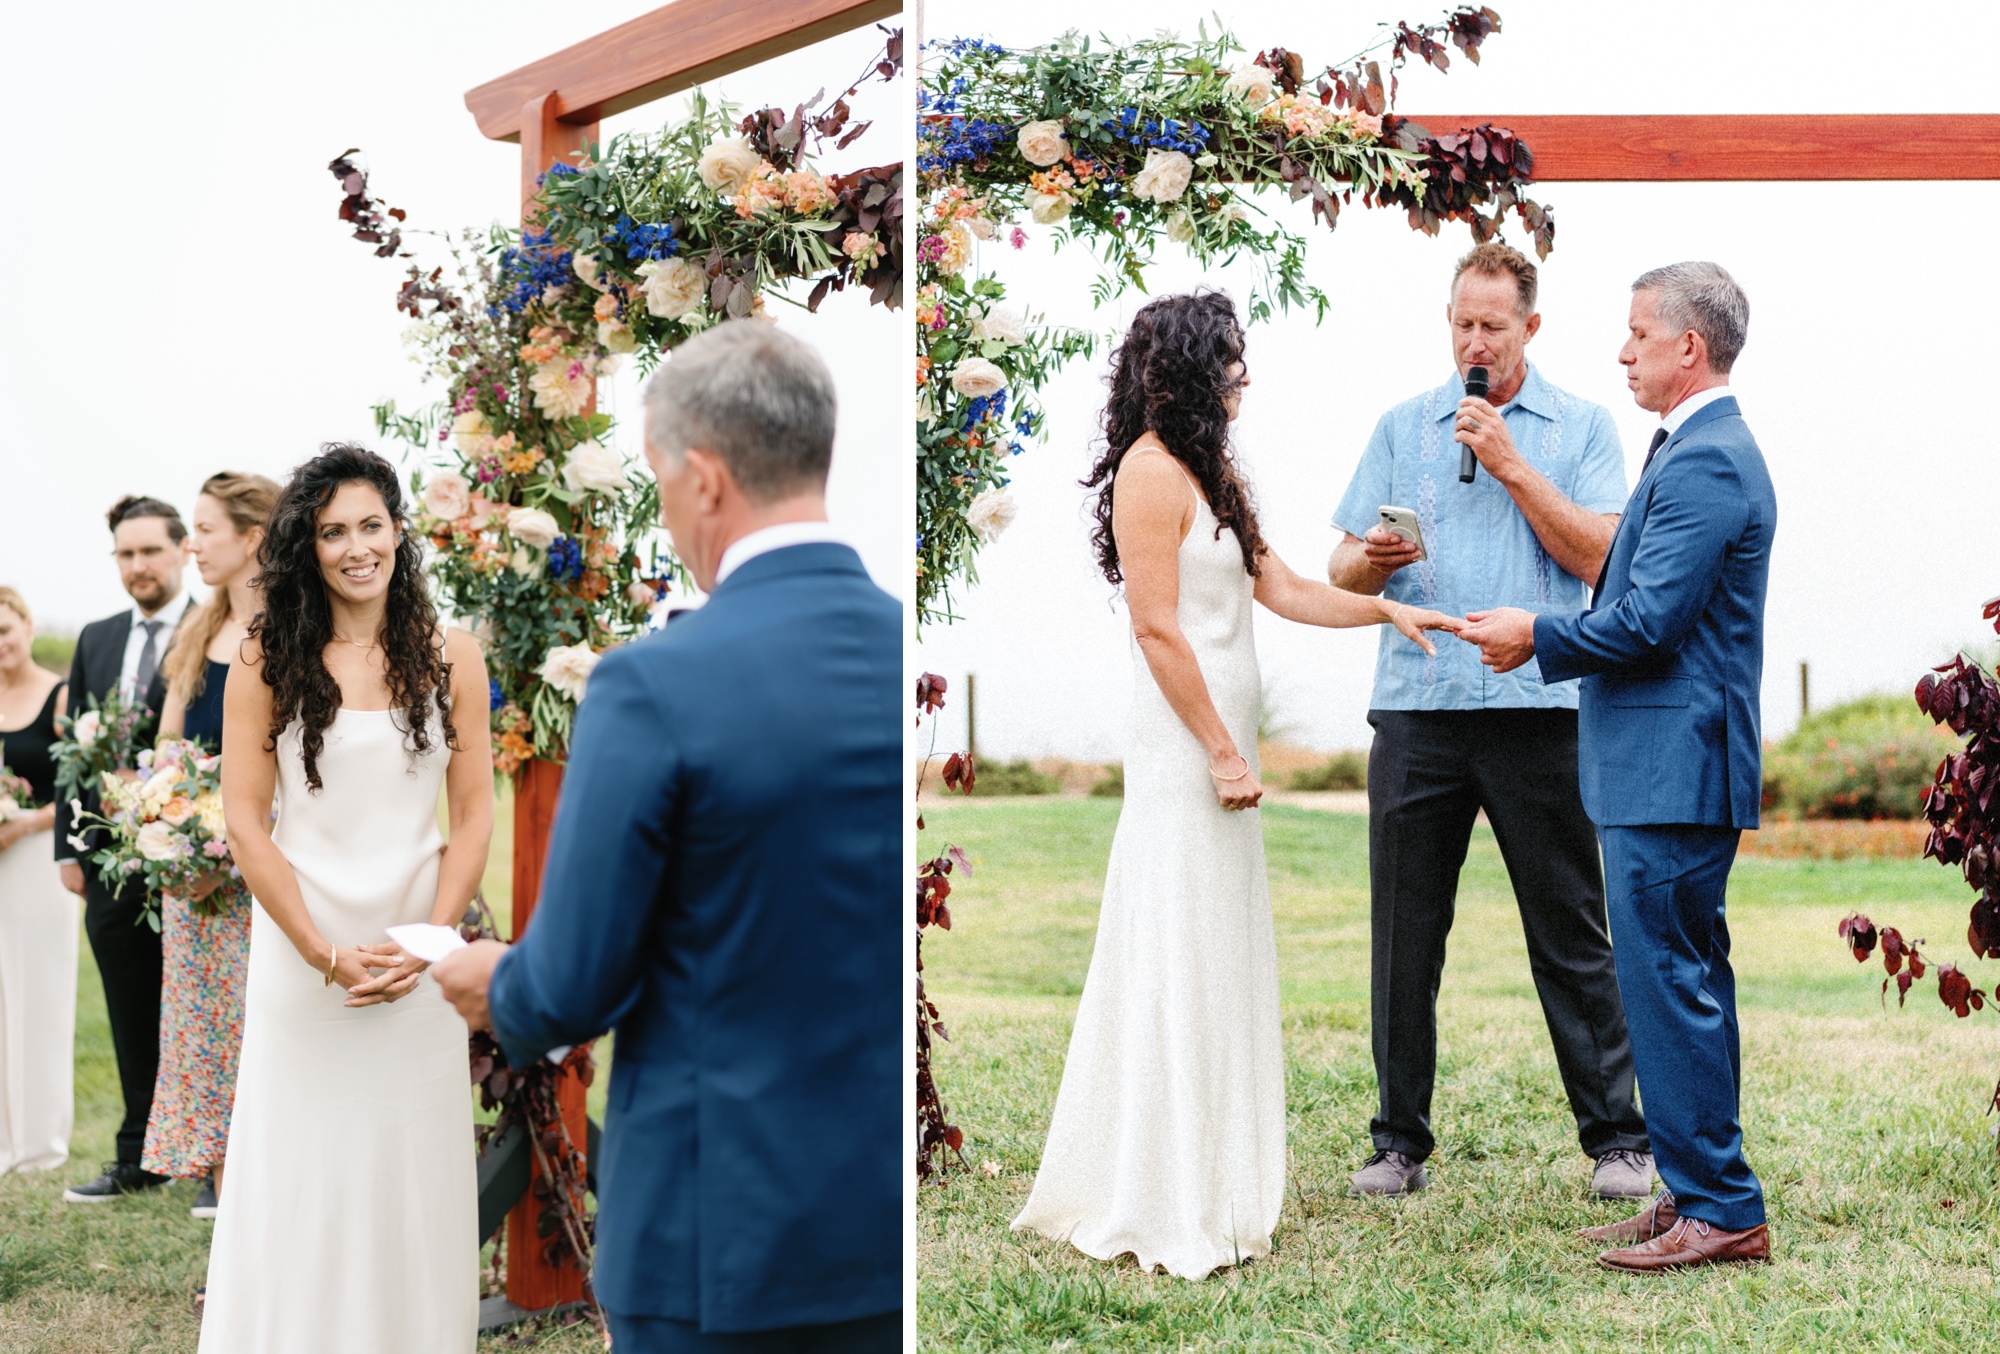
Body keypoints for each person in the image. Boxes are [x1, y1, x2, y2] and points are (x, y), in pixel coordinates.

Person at [434, 321, 902, 1352]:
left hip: (718, 1237)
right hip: (879, 1232)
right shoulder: (901, 647)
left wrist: (487, 980)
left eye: (654, 478)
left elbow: (570, 983)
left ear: (701, 478)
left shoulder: (657, 682)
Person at [1009, 292, 1461, 1280]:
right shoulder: (1146, 472)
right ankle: (1161, 1188)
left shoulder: (1214, 476)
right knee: (1177, 941)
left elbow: (1287, 589)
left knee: (1217, 944)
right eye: (1230, 361)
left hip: (1224, 752)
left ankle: (1215, 1174)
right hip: (1185, 754)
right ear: (1188, 371)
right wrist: (1218, 747)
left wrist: (1382, 607)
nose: (1242, 377)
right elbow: (1158, 630)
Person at [1460, 261, 1774, 1272]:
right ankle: (1693, 1189)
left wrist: (1536, 637)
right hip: (1660, 765)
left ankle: (1720, 1207)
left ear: (1688, 346)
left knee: (1667, 985)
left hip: (1672, 767)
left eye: (1637, 334)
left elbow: (1645, 621)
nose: (1621, 350)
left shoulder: (1708, 462)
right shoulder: (1690, 452)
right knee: (1676, 982)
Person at [1325, 241, 1654, 1201]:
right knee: (1404, 935)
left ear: (1531, 329)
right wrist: (1374, 561)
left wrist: (1510, 463)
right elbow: (1340, 567)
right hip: (1418, 708)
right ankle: (1398, 1144)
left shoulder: (1585, 428)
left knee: (1569, 929)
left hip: (1538, 708)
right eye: (1462, 323)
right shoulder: (1400, 425)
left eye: (1493, 326)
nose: (1475, 341)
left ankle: (1617, 1141)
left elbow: (1604, 558)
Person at [199, 446, 490, 1349]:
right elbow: (246, 825)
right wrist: (322, 953)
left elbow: (474, 817)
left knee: (412, 1180)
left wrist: (430, 940)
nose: (356, 547)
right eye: (333, 531)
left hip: (417, 967)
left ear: (399, 532)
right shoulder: (266, 659)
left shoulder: (456, 657)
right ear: (308, 546)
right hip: (302, 966)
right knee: (300, 1178)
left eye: (371, 525)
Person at [144, 472, 278, 1223]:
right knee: (210, 1062)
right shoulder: (197, 631)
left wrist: (230, 848)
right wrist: (174, 841)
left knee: (266, 1054)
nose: (191, 544)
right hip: (195, 891)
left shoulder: (295, 632)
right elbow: (166, 755)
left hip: (266, 884)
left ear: (254, 537)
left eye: (205, 529)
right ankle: (232, 1246)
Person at [59, 496, 194, 1204]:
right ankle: (138, 1153)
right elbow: (74, 755)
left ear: (182, 551)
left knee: (200, 1006)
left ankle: (213, 1158)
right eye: (126, 554)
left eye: (150, 551)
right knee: (130, 1006)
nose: (138, 566)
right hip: (111, 863)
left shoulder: (216, 628)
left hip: (197, 860)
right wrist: (68, 850)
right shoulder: (96, 637)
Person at [0, 587, 77, 1173]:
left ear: (26, 625)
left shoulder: (61, 695)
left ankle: (41, 1146)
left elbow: (79, 783)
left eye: (5, 628)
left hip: (39, 860)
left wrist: (26, 822)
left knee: (42, 996)